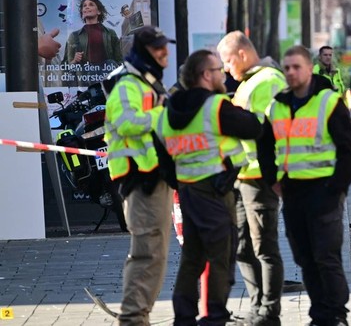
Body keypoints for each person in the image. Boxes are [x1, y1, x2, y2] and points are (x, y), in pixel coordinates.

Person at [157, 49, 263, 326]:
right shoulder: (214, 106)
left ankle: (184, 317)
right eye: (218, 70)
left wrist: (177, 181)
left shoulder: (169, 110)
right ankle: (214, 316)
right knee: (221, 256)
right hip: (215, 192)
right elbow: (252, 127)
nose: (223, 74)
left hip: (188, 191)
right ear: (206, 75)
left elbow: (162, 153)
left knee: (192, 256)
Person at [260, 45, 351, 326]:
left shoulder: (328, 102)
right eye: (287, 68)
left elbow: (349, 153)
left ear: (308, 68)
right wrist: (272, 180)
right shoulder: (277, 105)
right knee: (305, 258)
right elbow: (264, 146)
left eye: (296, 67)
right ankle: (319, 315)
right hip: (292, 194)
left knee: (326, 257)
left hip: (324, 192)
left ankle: (336, 315)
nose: (291, 72)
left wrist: (336, 188)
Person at [103, 26, 177, 325]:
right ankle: (133, 319)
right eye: (158, 48)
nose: (164, 53)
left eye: (165, 46)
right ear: (144, 51)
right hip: (140, 181)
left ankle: (138, 315)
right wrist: (164, 113)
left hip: (154, 178)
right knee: (147, 254)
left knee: (155, 255)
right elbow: (125, 122)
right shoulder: (128, 84)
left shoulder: (148, 82)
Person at [217, 31, 287, 326]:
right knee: (244, 247)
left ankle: (269, 312)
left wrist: (278, 177)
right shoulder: (248, 82)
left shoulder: (268, 81)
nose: (225, 68)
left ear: (242, 54)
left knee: (264, 247)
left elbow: (278, 131)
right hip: (243, 175)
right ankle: (258, 307)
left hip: (261, 178)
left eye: (228, 61)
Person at [64, 0, 123, 66]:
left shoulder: (110, 33)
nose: (86, 7)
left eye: (91, 4)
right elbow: (65, 65)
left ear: (99, 11)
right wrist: (74, 60)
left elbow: (119, 60)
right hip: (85, 76)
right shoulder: (74, 36)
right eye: (84, 6)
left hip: (107, 74)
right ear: (82, 12)